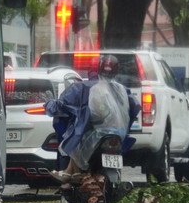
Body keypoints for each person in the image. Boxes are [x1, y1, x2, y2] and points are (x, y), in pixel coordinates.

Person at [47, 54, 140, 185]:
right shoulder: (122, 89)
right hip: (120, 134)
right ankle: (73, 174)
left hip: (101, 133)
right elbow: (135, 107)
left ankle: (69, 172)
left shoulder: (91, 88)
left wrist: (49, 106)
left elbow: (93, 112)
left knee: (76, 140)